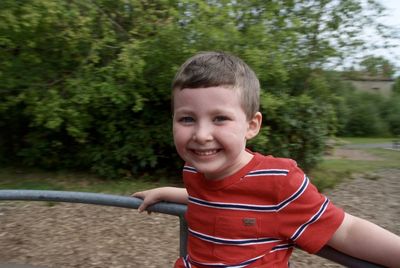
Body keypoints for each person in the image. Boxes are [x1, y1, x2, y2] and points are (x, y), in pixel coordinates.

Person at [132, 51, 400, 267]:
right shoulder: (195, 171)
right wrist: (166, 191)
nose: (201, 135)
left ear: (252, 125)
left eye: (220, 118)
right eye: (187, 119)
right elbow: (216, 200)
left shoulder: (280, 181)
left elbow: (346, 229)